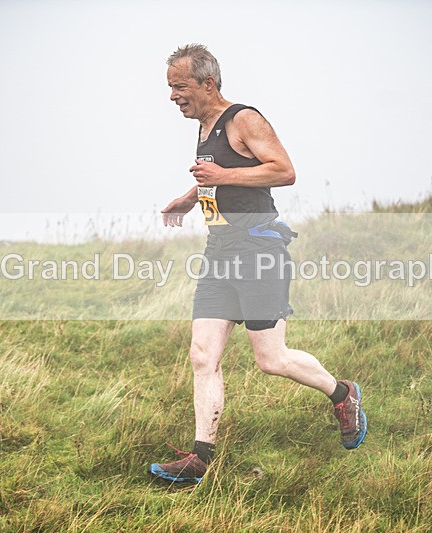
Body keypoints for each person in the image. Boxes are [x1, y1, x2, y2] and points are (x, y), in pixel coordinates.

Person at [149, 44, 366, 484]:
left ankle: (343, 394)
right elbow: (217, 176)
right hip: (220, 251)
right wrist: (189, 199)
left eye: (179, 87)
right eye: (170, 88)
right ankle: (199, 459)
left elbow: (283, 171)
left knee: (271, 358)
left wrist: (222, 178)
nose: (173, 96)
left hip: (258, 250)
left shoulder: (243, 119)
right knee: (202, 354)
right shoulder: (205, 126)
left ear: (207, 83)